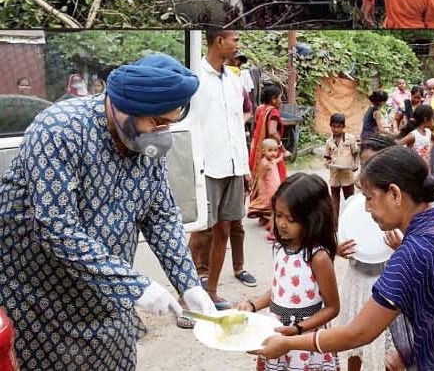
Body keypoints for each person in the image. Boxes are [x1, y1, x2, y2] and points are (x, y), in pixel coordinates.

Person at [0, 53, 215, 371]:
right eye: (157, 122)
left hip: (106, 304)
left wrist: (188, 283)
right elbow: (57, 229)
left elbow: (160, 214)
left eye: (169, 124)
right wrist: (136, 286)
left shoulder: (145, 142)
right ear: (125, 107)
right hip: (40, 305)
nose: (161, 132)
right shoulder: (59, 132)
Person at [256, 146, 434, 371]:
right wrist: (412, 352)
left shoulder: (414, 253)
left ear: (394, 194)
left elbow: (357, 333)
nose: (366, 209)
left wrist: (288, 345)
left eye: (369, 198)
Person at [238, 172, 340, 371]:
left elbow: (332, 308)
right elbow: (279, 289)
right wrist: (252, 305)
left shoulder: (318, 257)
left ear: (312, 219)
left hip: (305, 341)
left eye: (291, 219)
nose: (281, 223)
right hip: (276, 333)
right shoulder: (279, 247)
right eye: (278, 215)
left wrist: (298, 329)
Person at [188, 28, 252, 309]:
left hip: (233, 164)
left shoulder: (234, 80)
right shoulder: (195, 78)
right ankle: (187, 293)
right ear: (219, 41)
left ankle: (211, 291)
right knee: (201, 231)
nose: (238, 44)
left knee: (224, 229)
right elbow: (189, 123)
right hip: (207, 165)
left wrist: (245, 166)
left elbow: (238, 124)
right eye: (235, 39)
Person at [336, 134, 397, 371]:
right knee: (354, 341)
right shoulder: (353, 204)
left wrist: (400, 249)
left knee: (390, 348)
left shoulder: (401, 207)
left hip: (389, 283)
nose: (367, 171)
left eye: (374, 165)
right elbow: (346, 236)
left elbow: (415, 249)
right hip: (357, 280)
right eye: (363, 164)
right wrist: (340, 250)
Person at [249, 82, 287, 186]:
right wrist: (283, 149)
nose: (281, 101)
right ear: (273, 99)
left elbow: (254, 128)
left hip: (258, 150)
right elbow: (272, 132)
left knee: (259, 183)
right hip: (270, 152)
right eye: (280, 98)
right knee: (276, 182)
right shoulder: (273, 111)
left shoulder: (260, 109)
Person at [323, 113, 358, 226]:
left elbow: (356, 153)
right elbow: (327, 157)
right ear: (330, 126)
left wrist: (356, 164)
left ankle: (350, 222)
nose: (336, 129)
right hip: (334, 175)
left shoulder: (350, 139)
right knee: (334, 201)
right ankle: (335, 225)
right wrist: (327, 163)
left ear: (343, 127)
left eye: (338, 127)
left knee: (349, 200)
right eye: (333, 126)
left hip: (347, 174)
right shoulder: (329, 142)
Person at [247, 138, 281, 238]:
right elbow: (261, 178)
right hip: (269, 191)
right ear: (263, 151)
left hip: (275, 189)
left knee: (272, 210)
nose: (273, 153)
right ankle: (272, 232)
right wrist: (262, 192)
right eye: (270, 150)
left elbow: (276, 161)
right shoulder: (264, 163)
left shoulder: (271, 161)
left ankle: (270, 224)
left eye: (275, 150)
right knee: (274, 210)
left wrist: (281, 157)